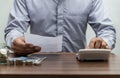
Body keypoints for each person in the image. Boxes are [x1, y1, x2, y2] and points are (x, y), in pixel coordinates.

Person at [4, 0, 116, 56]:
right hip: (37, 67)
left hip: (79, 68)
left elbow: (106, 30)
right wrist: (15, 41)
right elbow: (14, 29)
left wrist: (102, 42)